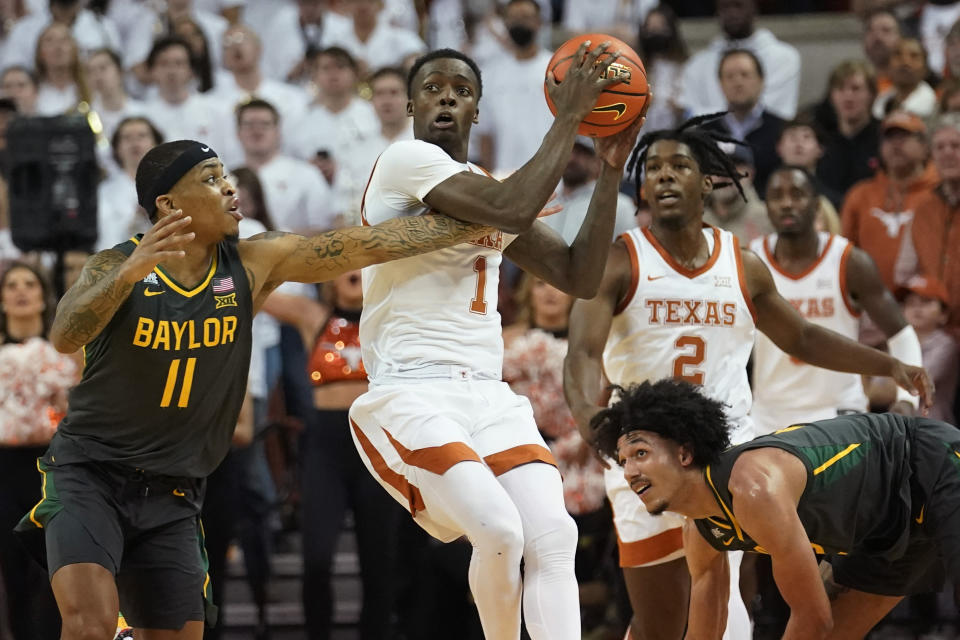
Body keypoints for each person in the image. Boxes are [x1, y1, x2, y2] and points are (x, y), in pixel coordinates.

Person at [13, 135, 507, 640]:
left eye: (226, 176)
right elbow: (64, 334)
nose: (230, 188)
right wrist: (131, 273)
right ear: (167, 204)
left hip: (174, 486)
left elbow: (371, 244)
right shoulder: (114, 264)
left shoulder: (254, 262)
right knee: (88, 626)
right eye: (211, 179)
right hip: (90, 473)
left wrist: (499, 213)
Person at [562, 115, 931, 640]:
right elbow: (580, 354)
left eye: (680, 166)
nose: (664, 176)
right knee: (661, 622)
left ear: (708, 181)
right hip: (642, 451)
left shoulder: (743, 264)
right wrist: (594, 425)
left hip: (725, 450)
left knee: (727, 610)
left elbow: (801, 336)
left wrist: (886, 363)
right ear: (642, 186)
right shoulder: (620, 261)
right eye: (655, 168)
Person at [348, 45, 648, 640]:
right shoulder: (405, 161)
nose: (447, 98)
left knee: (554, 536)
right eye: (433, 88)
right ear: (410, 105)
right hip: (410, 390)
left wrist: (610, 167)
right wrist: (569, 118)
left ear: (477, 111)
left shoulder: (487, 187)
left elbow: (577, 275)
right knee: (500, 531)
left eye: (461, 91)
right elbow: (511, 206)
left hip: (487, 395)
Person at [589, 378, 951, 640]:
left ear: (684, 453)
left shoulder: (752, 487)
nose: (630, 472)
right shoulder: (699, 528)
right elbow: (706, 630)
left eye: (640, 454)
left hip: (930, 463)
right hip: (880, 530)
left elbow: (812, 617)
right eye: (622, 461)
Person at [262, 270, 403, 640]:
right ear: (329, 275)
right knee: (318, 559)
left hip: (377, 447)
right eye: (345, 262)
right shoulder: (313, 316)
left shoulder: (391, 317)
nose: (353, 270)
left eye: (362, 263)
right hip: (327, 448)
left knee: (379, 564)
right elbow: (250, 291)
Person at [750, 164, 923, 433]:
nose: (786, 203)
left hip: (838, 411)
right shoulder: (751, 260)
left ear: (817, 205)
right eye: (777, 196)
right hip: (767, 415)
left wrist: (907, 400)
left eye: (797, 194)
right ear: (766, 205)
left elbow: (901, 333)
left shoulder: (849, 261)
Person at [0, 262, 75, 640]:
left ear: (43, 297)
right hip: (3, 470)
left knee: (52, 573)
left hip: (51, 469)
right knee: (12, 571)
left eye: (29, 283)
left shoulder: (65, 354)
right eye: (11, 285)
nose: (20, 291)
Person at [678, 0, 800, 120]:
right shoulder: (697, 64)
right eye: (725, 7)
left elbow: (776, 113)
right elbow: (690, 115)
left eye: (738, 5)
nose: (732, 13)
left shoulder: (784, 58)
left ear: (754, 9)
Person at [703, 48, 784, 195]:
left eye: (745, 75)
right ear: (720, 84)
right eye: (730, 76)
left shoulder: (781, 130)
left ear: (761, 80)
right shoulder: (704, 134)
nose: (738, 82)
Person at [872, 38, 936, 119]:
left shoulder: (933, 106)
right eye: (898, 55)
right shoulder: (880, 102)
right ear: (888, 65)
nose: (905, 62)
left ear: (925, 69)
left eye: (914, 56)